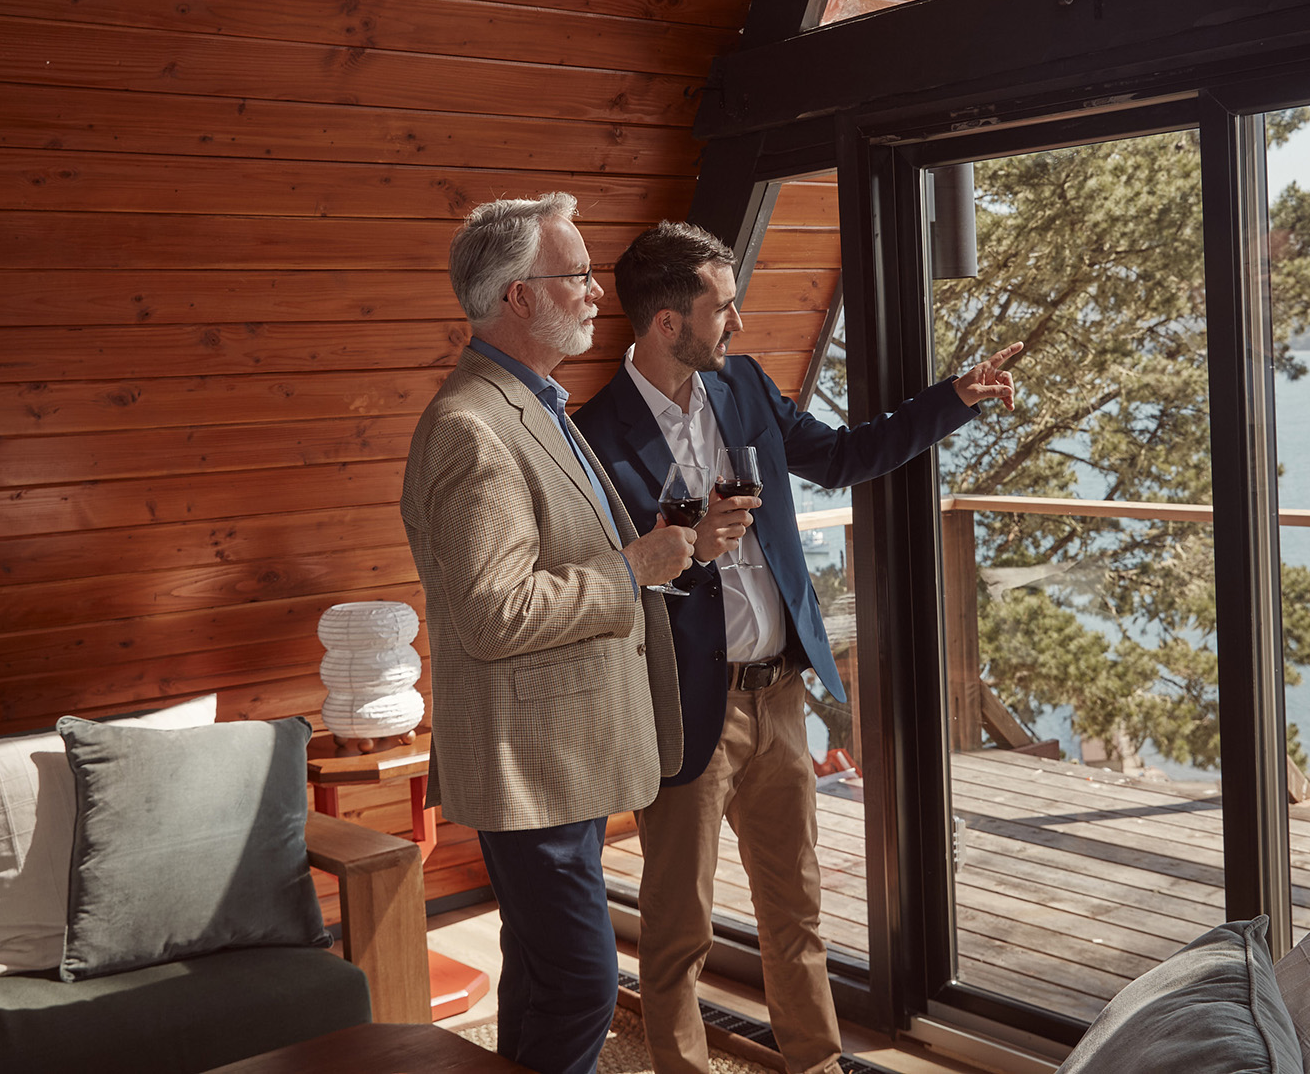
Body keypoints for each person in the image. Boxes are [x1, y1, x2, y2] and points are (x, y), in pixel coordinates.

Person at [574, 221, 1020, 1074]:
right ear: (668, 323)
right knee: (678, 930)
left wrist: (953, 398)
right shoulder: (594, 437)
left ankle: (818, 1066)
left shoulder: (741, 386)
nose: (737, 324)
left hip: (779, 699)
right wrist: (686, 549)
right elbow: (602, 586)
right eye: (723, 308)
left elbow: (846, 457)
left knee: (797, 915)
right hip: (680, 712)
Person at [400, 194, 697, 1074]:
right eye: (576, 275)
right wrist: (632, 568)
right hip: (528, 761)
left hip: (559, 753)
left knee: (541, 976)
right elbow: (493, 613)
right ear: (519, 297)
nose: (599, 292)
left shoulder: (531, 402)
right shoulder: (472, 427)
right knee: (581, 982)